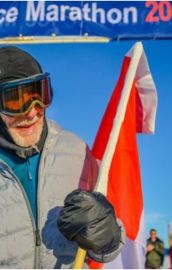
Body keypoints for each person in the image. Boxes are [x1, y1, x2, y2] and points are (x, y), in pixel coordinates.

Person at [0, 46, 125, 268]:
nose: (31, 111)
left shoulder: (76, 151)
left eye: (38, 95)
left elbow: (105, 251)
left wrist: (106, 236)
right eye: (15, 100)